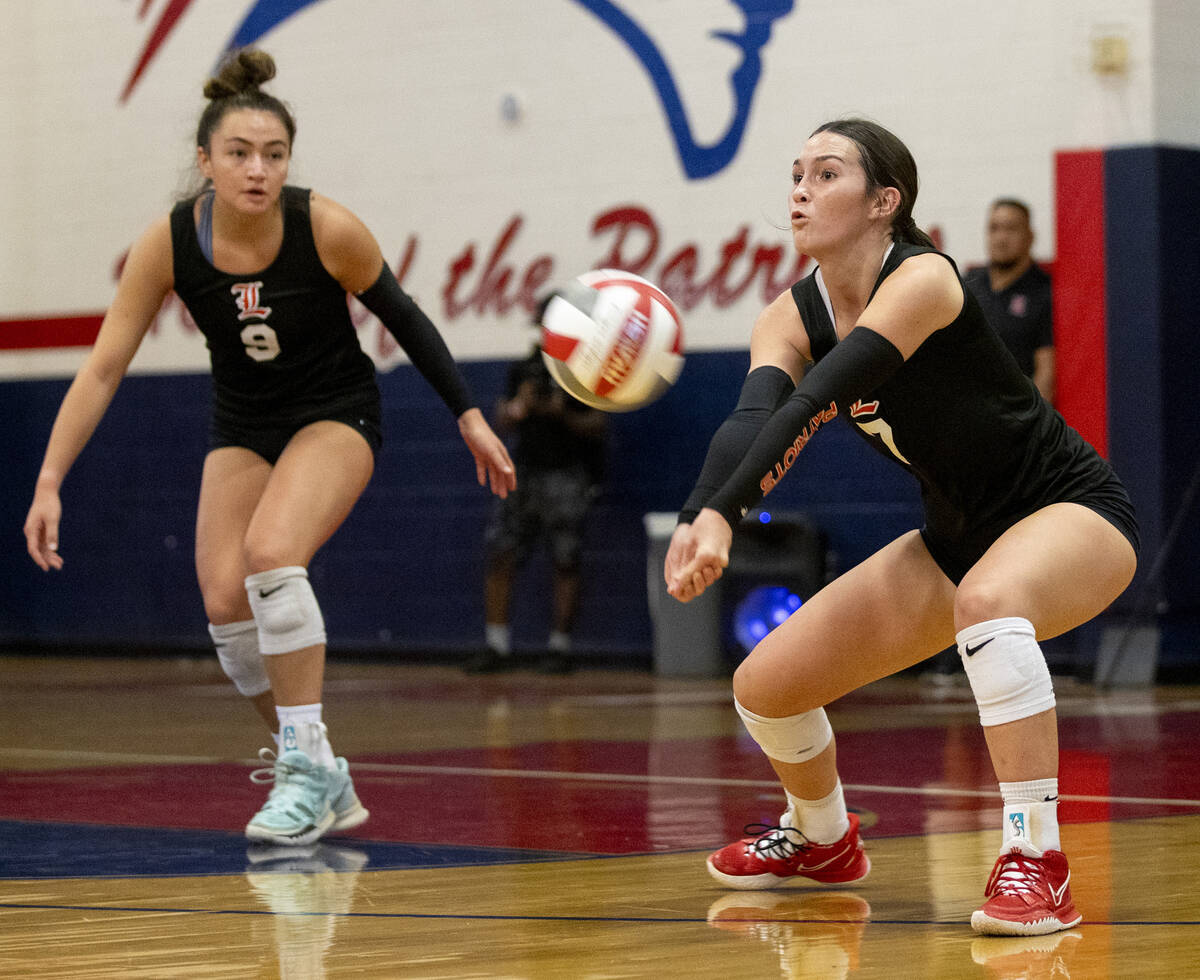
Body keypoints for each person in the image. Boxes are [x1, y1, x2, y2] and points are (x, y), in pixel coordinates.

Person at [22, 49, 515, 847]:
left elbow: (407, 319)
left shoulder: (324, 225)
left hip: (336, 413)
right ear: (205, 161)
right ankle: (316, 761)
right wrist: (49, 480)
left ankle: (297, 769)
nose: (258, 170)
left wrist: (468, 415)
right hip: (244, 422)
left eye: (274, 155)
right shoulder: (171, 243)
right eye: (240, 154)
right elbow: (105, 365)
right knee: (224, 601)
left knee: (271, 555)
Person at [664, 118, 1138, 936]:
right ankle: (822, 839)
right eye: (796, 174)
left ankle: (1038, 861)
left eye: (826, 173)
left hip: (1071, 513)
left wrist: (725, 514)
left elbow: (814, 400)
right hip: (953, 539)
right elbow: (755, 417)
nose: (800, 190)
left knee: (989, 602)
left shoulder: (924, 280)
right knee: (766, 686)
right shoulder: (788, 314)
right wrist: (700, 513)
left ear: (886, 200)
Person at [465, 344, 608, 675]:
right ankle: (496, 645)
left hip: (568, 473)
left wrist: (563, 413)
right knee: (501, 552)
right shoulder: (525, 367)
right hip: (525, 471)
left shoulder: (584, 367)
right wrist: (521, 405)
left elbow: (598, 423)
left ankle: (560, 647)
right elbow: (502, 418)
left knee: (565, 559)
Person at [964, 199, 1055, 404]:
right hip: (968, 413)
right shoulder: (968, 283)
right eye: (994, 228)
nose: (1001, 238)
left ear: (1030, 237)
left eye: (1011, 229)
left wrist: (1033, 425)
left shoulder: (1044, 292)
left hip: (1016, 415)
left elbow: (1047, 372)